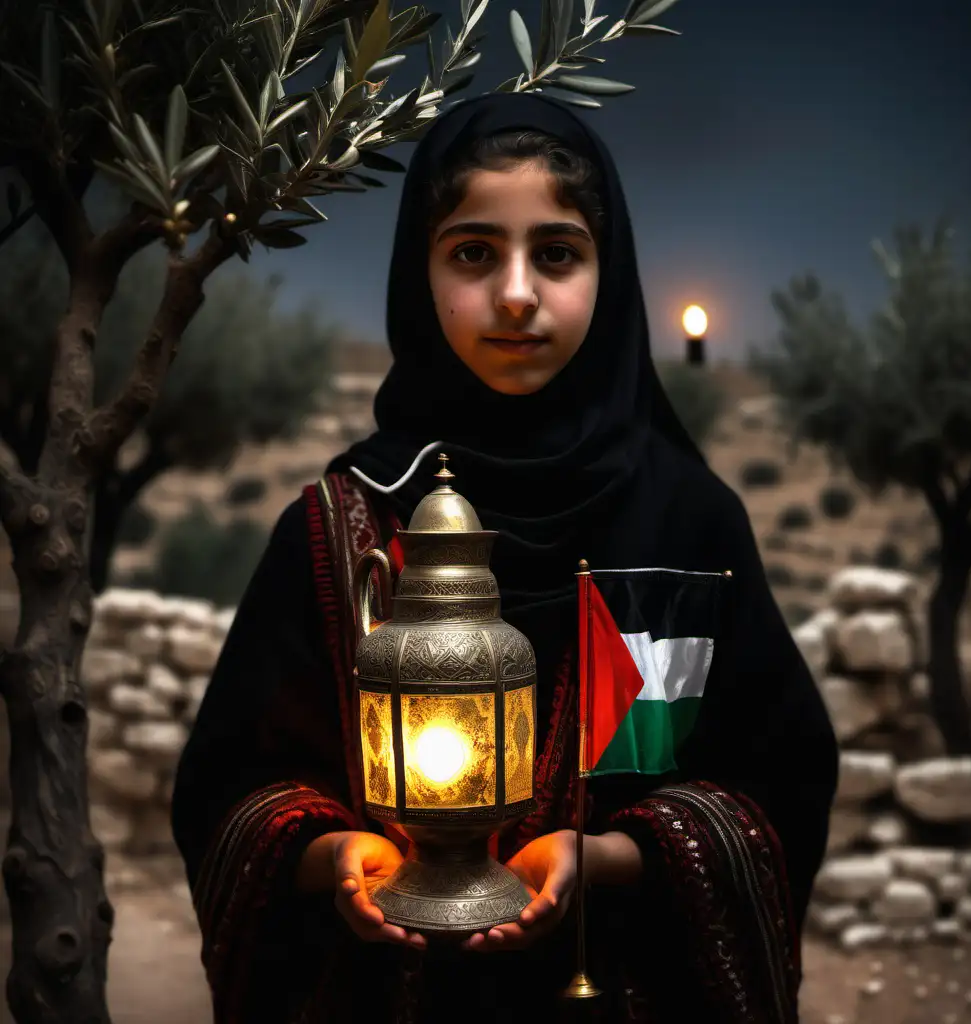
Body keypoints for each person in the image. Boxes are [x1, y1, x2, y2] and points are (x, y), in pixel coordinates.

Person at [171, 92, 838, 1024]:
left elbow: (779, 786)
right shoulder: (342, 527)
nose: (517, 294)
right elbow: (232, 793)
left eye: (557, 253)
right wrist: (337, 861)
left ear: (610, 274)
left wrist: (602, 857)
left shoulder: (690, 527)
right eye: (475, 252)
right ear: (421, 270)